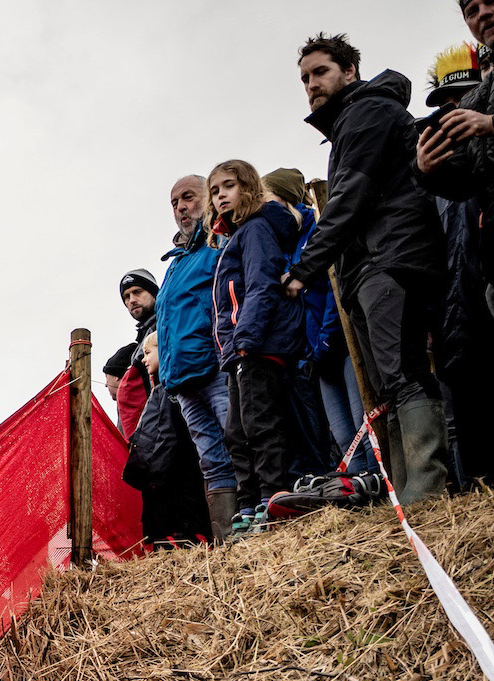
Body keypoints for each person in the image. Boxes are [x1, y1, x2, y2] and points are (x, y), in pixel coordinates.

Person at [285, 32, 450, 505]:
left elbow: (349, 199)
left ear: (349, 72)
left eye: (320, 72)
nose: (311, 84)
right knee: (386, 384)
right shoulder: (346, 126)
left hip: (393, 258)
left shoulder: (369, 111)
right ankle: (406, 492)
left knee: (405, 372)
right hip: (368, 266)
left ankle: (426, 493)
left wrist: (304, 267)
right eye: (304, 78)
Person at [209, 159, 309, 531]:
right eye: (215, 190)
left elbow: (262, 285)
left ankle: (273, 494)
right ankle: (248, 502)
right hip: (238, 349)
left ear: (249, 188)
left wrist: (246, 338)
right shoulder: (233, 239)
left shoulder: (255, 230)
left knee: (259, 422)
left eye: (229, 186)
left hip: (258, 344)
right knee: (236, 431)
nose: (221, 195)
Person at [266, 165, 374, 476]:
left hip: (340, 343)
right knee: (342, 434)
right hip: (314, 352)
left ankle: (379, 483)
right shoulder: (282, 244)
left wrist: (328, 336)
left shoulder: (317, 229)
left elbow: (331, 287)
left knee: (361, 422)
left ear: (285, 198)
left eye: (269, 197)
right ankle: (357, 493)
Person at [420, 42, 494, 488]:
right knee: (466, 414)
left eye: (461, 101)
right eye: (446, 106)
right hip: (454, 315)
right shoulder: (442, 178)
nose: (454, 114)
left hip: (483, 292)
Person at [158, 174, 243, 544]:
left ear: (207, 200)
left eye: (188, 198)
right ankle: (227, 540)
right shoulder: (174, 264)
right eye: (175, 203)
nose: (180, 208)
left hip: (216, 368)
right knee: (210, 457)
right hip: (182, 380)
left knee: (238, 442)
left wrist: (229, 352)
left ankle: (255, 525)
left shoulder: (219, 244)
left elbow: (229, 300)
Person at [416, 0, 494, 321]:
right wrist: (425, 168)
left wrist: (490, 124)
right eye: (472, 9)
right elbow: (465, 184)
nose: (456, 107)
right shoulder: (478, 103)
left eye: (462, 93)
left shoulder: (481, 115)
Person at [122, 332, 211, 548]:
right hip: (169, 472)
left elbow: (167, 434)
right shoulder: (161, 390)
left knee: (177, 520)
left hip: (172, 475)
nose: (144, 359)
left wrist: (155, 474)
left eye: (148, 353)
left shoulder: (168, 391)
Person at [111, 269, 160, 436]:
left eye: (137, 292)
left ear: (154, 292)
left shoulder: (165, 326)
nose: (132, 300)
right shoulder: (142, 339)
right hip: (148, 431)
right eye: (126, 296)